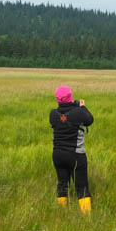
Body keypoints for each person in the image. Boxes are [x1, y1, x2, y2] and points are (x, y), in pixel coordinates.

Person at [49, 85, 94, 215]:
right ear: (70, 97)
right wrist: (82, 106)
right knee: (82, 186)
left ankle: (61, 213)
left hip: (57, 155)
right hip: (75, 156)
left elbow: (63, 118)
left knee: (62, 184)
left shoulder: (52, 114)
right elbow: (89, 120)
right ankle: (87, 217)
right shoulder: (78, 112)